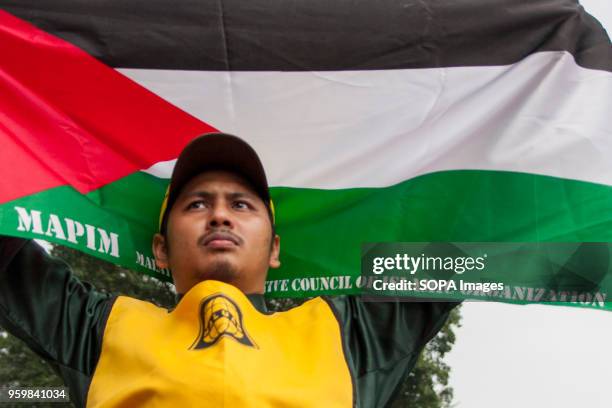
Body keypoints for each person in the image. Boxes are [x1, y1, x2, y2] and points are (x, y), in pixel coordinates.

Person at [0, 133, 457, 407]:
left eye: (241, 204)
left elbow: (464, 249)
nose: (220, 216)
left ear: (274, 248)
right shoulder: (101, 330)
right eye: (197, 204)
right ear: (160, 249)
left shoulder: (343, 334)